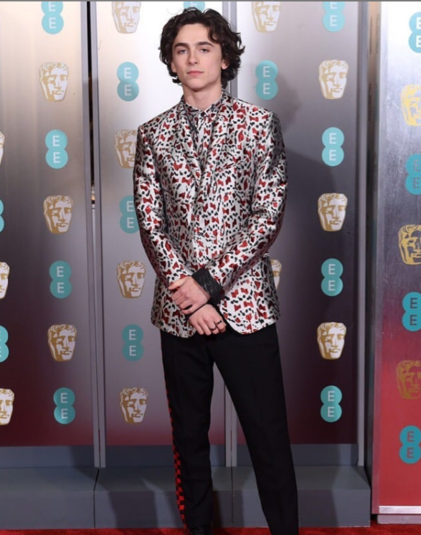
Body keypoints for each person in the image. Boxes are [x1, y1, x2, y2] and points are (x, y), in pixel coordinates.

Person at [133, 8, 298, 535]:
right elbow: (150, 222)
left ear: (224, 57)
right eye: (181, 50)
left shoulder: (259, 125)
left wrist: (206, 286)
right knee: (189, 442)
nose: (192, 59)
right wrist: (187, 295)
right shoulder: (153, 134)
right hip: (179, 315)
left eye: (204, 47)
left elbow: (266, 217)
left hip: (244, 309)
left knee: (268, 440)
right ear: (170, 62)